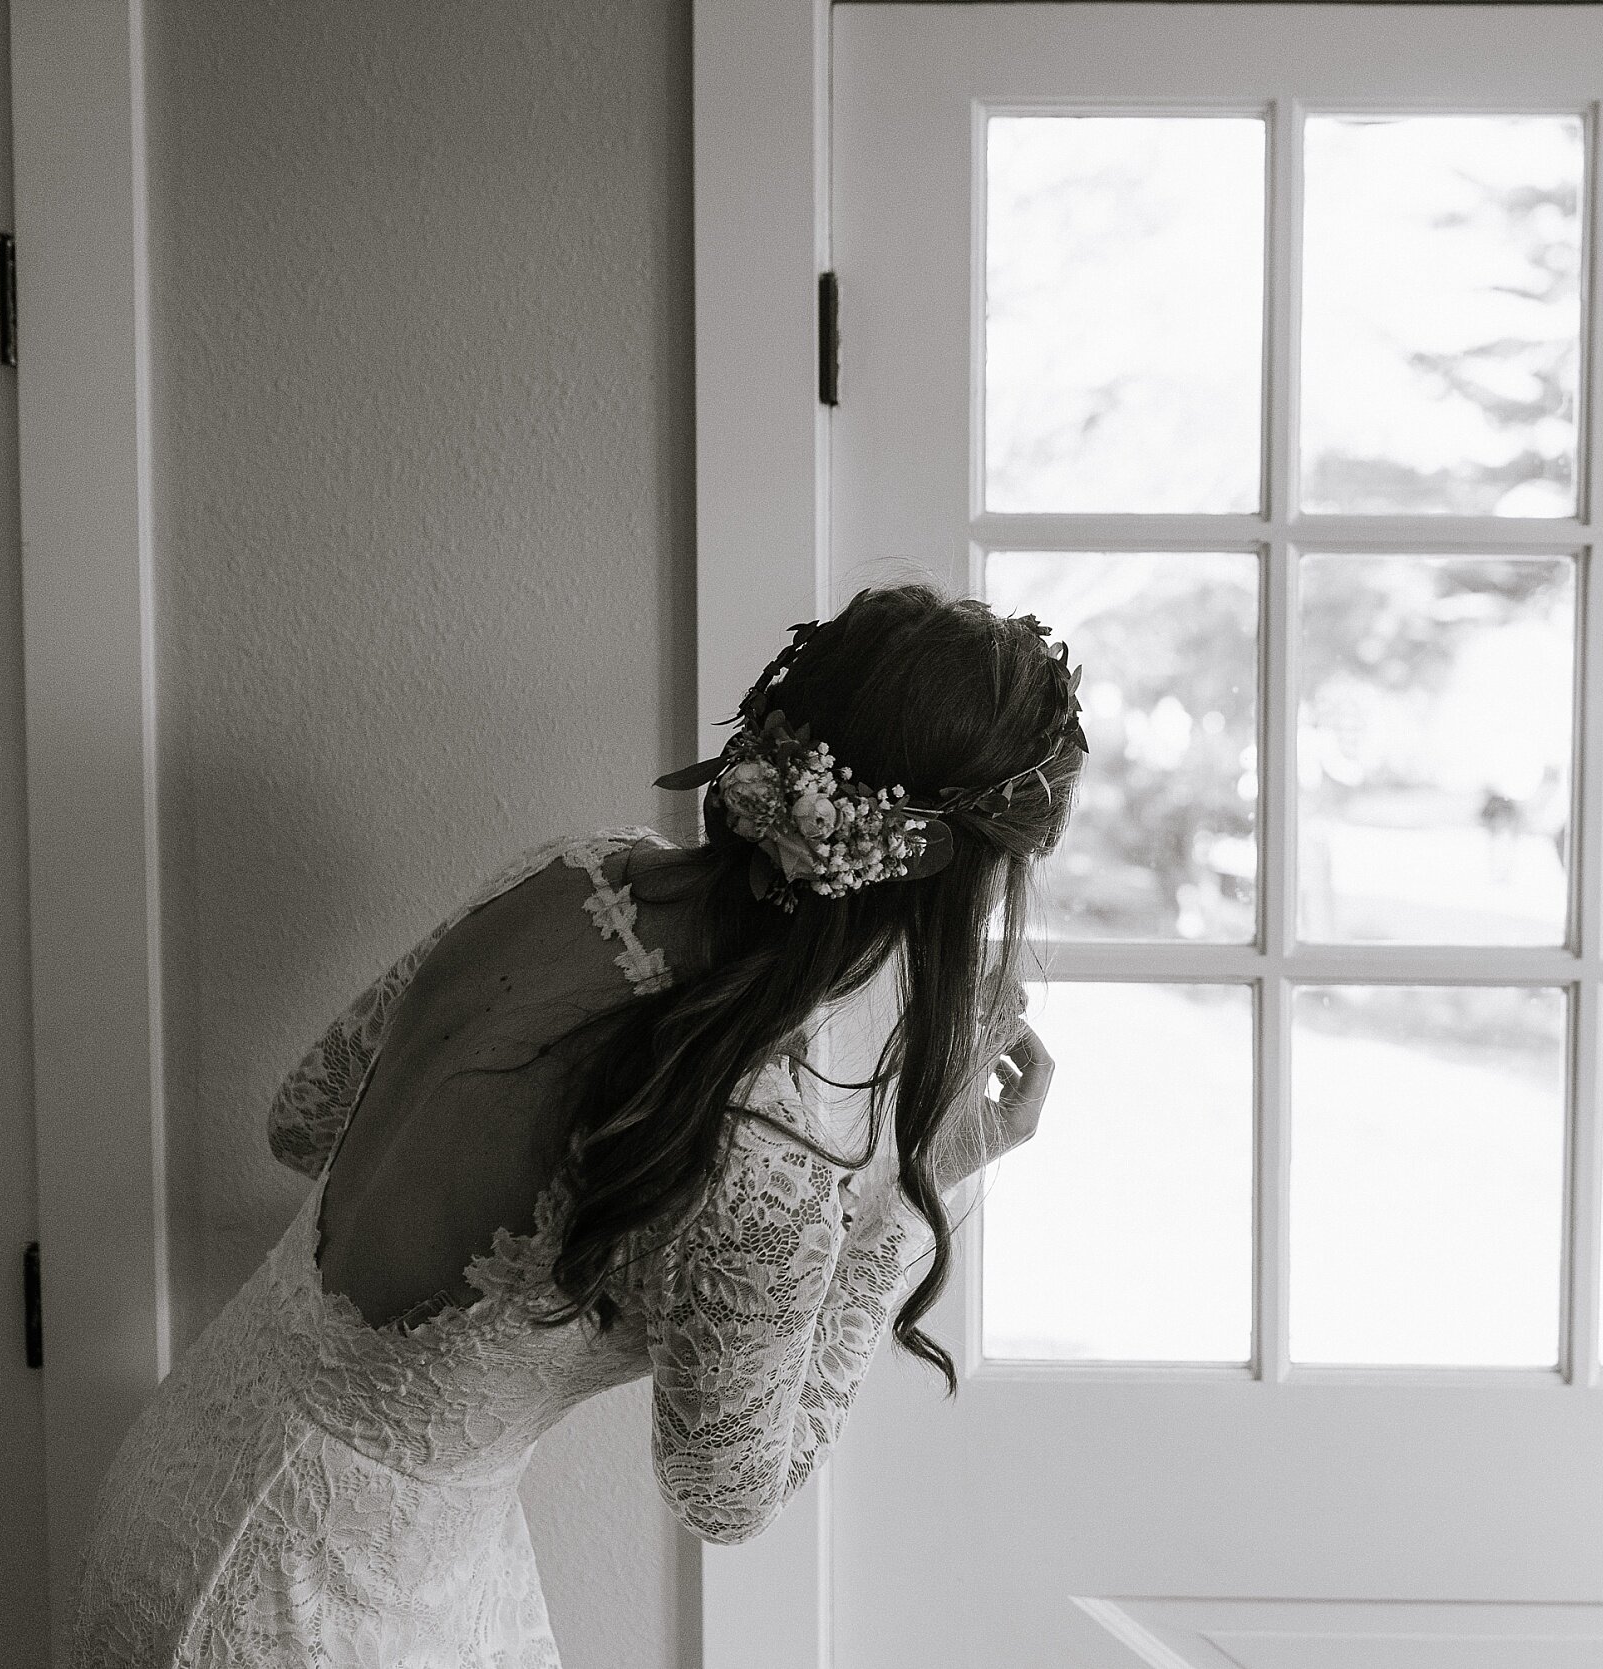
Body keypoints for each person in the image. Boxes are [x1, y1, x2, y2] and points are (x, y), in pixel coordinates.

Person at [67, 585, 1082, 1668]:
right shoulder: (768, 1157)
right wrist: (906, 1202)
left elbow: (304, 1118)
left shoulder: (568, 878)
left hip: (195, 1463)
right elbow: (728, 1496)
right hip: (316, 1605)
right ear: (940, 878)